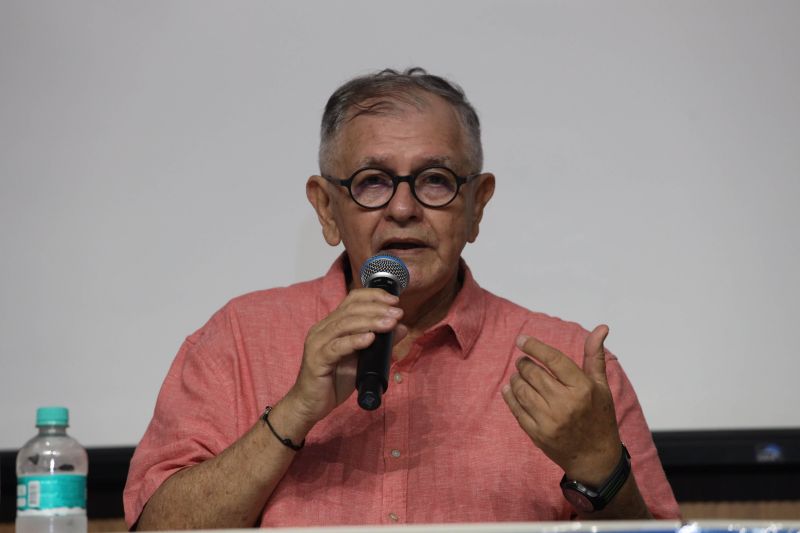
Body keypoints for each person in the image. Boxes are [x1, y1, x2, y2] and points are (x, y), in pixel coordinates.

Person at [123, 68, 680, 529]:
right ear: (325, 208)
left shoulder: (568, 365)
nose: (404, 209)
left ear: (477, 206)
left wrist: (601, 470)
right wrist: (296, 410)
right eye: (372, 182)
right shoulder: (238, 339)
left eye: (435, 180)